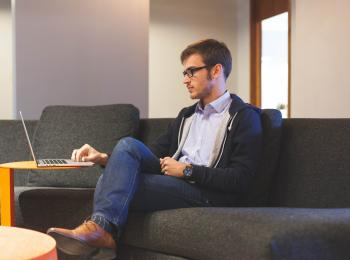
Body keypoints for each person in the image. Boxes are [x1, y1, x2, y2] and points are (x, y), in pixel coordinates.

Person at [47, 39, 263, 258]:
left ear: (216, 70)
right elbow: (147, 154)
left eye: (191, 72)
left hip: (209, 193)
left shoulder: (243, 116)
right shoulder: (187, 116)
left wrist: (187, 170)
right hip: (176, 182)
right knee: (127, 146)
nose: (185, 80)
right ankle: (101, 231)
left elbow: (240, 178)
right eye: (184, 74)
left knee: (111, 182)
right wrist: (103, 158)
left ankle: (101, 231)